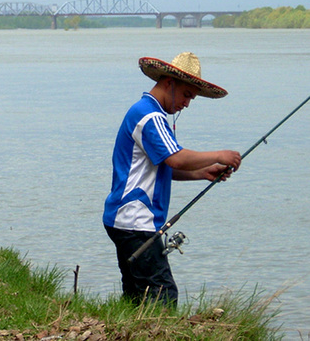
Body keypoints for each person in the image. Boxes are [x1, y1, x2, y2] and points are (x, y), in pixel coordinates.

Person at [102, 52, 242, 306]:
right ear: (169, 83)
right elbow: (176, 158)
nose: (187, 104)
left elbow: (165, 167)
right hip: (136, 221)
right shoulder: (151, 116)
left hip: (123, 219)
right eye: (187, 95)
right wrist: (219, 155)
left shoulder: (145, 112)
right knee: (162, 294)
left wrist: (201, 173)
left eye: (192, 98)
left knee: (136, 295)